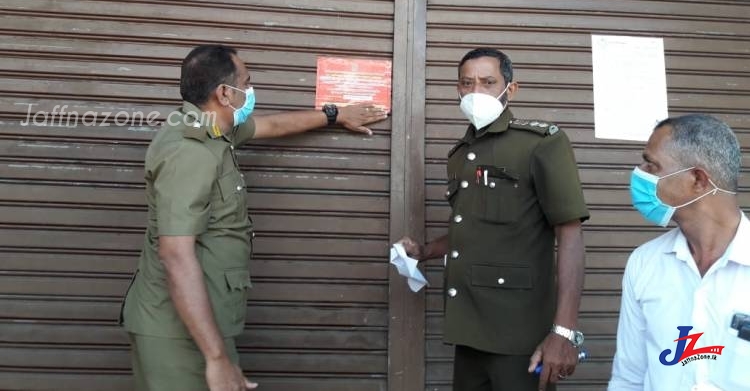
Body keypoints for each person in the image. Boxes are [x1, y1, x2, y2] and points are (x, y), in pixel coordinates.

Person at [120, 44, 388, 391]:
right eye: (246, 83)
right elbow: (175, 255)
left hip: (198, 326)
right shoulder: (190, 151)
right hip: (177, 335)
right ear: (224, 93)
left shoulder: (214, 127)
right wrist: (216, 359)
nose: (250, 91)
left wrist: (334, 114)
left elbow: (271, 125)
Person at [398, 47, 589, 391]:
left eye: (488, 82)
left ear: (510, 89)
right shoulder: (458, 156)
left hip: (520, 333)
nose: (476, 92)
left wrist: (563, 332)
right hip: (469, 327)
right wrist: (424, 251)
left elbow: (570, 235)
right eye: (466, 83)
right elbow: (472, 229)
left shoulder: (540, 143)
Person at [608, 114, 750, 391]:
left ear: (697, 179)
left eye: (652, 165)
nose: (640, 173)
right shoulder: (645, 263)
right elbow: (628, 378)